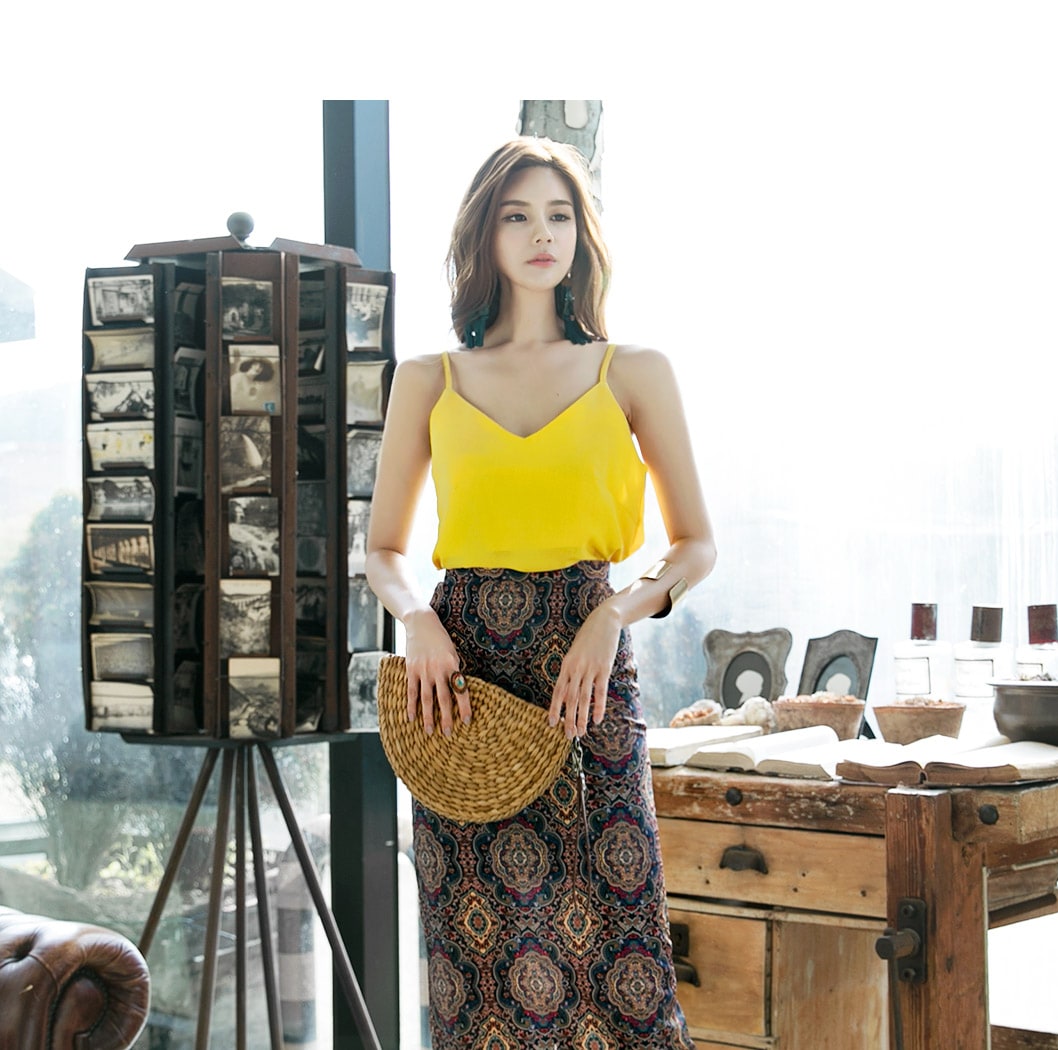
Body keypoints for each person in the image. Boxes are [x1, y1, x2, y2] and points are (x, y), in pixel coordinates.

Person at [366, 136, 716, 1050]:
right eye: (517, 216)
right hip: (461, 691)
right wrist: (417, 621)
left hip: (586, 683)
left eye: (558, 215)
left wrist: (615, 612)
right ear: (484, 236)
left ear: (581, 236)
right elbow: (384, 550)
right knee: (477, 974)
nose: (540, 234)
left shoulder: (633, 371)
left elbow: (696, 544)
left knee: (625, 966)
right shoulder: (428, 380)